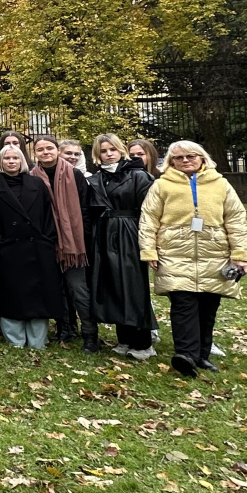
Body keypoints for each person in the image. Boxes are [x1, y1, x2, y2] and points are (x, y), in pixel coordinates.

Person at [138, 140, 247, 377]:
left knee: (208, 306)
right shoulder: (161, 185)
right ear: (171, 162)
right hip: (174, 253)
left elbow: (236, 219)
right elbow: (148, 219)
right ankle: (186, 355)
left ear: (202, 158)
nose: (185, 160)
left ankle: (202, 355)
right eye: (179, 158)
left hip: (214, 253)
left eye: (191, 156)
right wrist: (149, 251)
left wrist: (240, 255)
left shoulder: (221, 184)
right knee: (183, 304)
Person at [0, 144, 66, 349]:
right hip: (8, 250)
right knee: (11, 294)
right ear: (1, 162)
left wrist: (47, 241)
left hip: (37, 249)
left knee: (38, 295)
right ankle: (15, 340)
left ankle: (38, 340)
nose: (12, 162)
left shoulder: (37, 184)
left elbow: (48, 216)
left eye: (16, 158)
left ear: (22, 161)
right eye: (7, 158)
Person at [86, 133, 157, 359]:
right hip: (104, 234)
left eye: (112, 150)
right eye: (103, 151)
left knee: (133, 285)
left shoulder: (138, 175)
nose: (108, 154)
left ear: (120, 150)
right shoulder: (96, 179)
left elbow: (149, 210)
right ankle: (124, 337)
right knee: (113, 285)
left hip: (129, 233)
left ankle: (143, 341)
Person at [31, 134, 95, 348]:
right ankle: (64, 329)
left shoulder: (74, 174)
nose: (45, 152)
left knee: (78, 288)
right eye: (40, 149)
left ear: (57, 150)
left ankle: (89, 333)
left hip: (74, 243)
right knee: (56, 288)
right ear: (35, 153)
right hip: (48, 241)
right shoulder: (32, 177)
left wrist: (81, 237)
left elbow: (84, 209)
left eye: (49, 148)